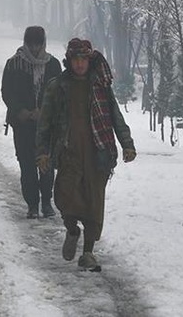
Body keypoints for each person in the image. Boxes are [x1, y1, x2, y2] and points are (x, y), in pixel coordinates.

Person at [36, 38, 136, 272]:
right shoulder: (57, 86)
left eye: (83, 59)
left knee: (94, 202)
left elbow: (115, 117)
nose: (80, 64)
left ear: (89, 61)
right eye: (75, 59)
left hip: (98, 153)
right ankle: (72, 230)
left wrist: (127, 144)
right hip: (68, 153)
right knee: (64, 196)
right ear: (69, 61)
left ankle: (88, 252)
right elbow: (45, 123)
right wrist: (42, 152)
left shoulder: (100, 86)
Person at [2, 26, 62, 219]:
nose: (35, 48)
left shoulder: (53, 64)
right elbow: (7, 92)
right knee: (27, 165)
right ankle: (32, 204)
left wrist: (44, 112)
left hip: (47, 124)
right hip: (22, 124)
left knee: (47, 164)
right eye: (31, 44)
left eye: (38, 44)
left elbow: (58, 92)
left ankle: (46, 201)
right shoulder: (14, 64)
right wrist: (22, 112)